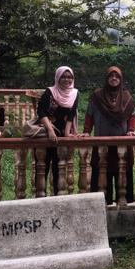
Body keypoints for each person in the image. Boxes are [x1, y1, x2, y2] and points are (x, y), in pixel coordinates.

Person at [84, 66, 135, 204]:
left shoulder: (126, 97)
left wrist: (131, 129)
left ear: (121, 79)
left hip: (121, 145)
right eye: (111, 76)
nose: (114, 78)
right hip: (102, 143)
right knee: (101, 171)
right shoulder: (97, 96)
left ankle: (123, 202)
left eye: (117, 76)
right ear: (106, 78)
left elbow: (132, 116)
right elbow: (89, 115)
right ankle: (103, 202)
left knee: (122, 171)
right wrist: (86, 131)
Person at [36, 66, 79, 195]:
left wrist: (67, 133)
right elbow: (41, 111)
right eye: (63, 77)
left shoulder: (75, 93)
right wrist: (50, 130)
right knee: (42, 166)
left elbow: (71, 115)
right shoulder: (50, 92)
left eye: (69, 77)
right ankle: (40, 196)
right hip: (45, 132)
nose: (67, 79)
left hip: (60, 134)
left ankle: (56, 196)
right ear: (58, 78)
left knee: (58, 166)